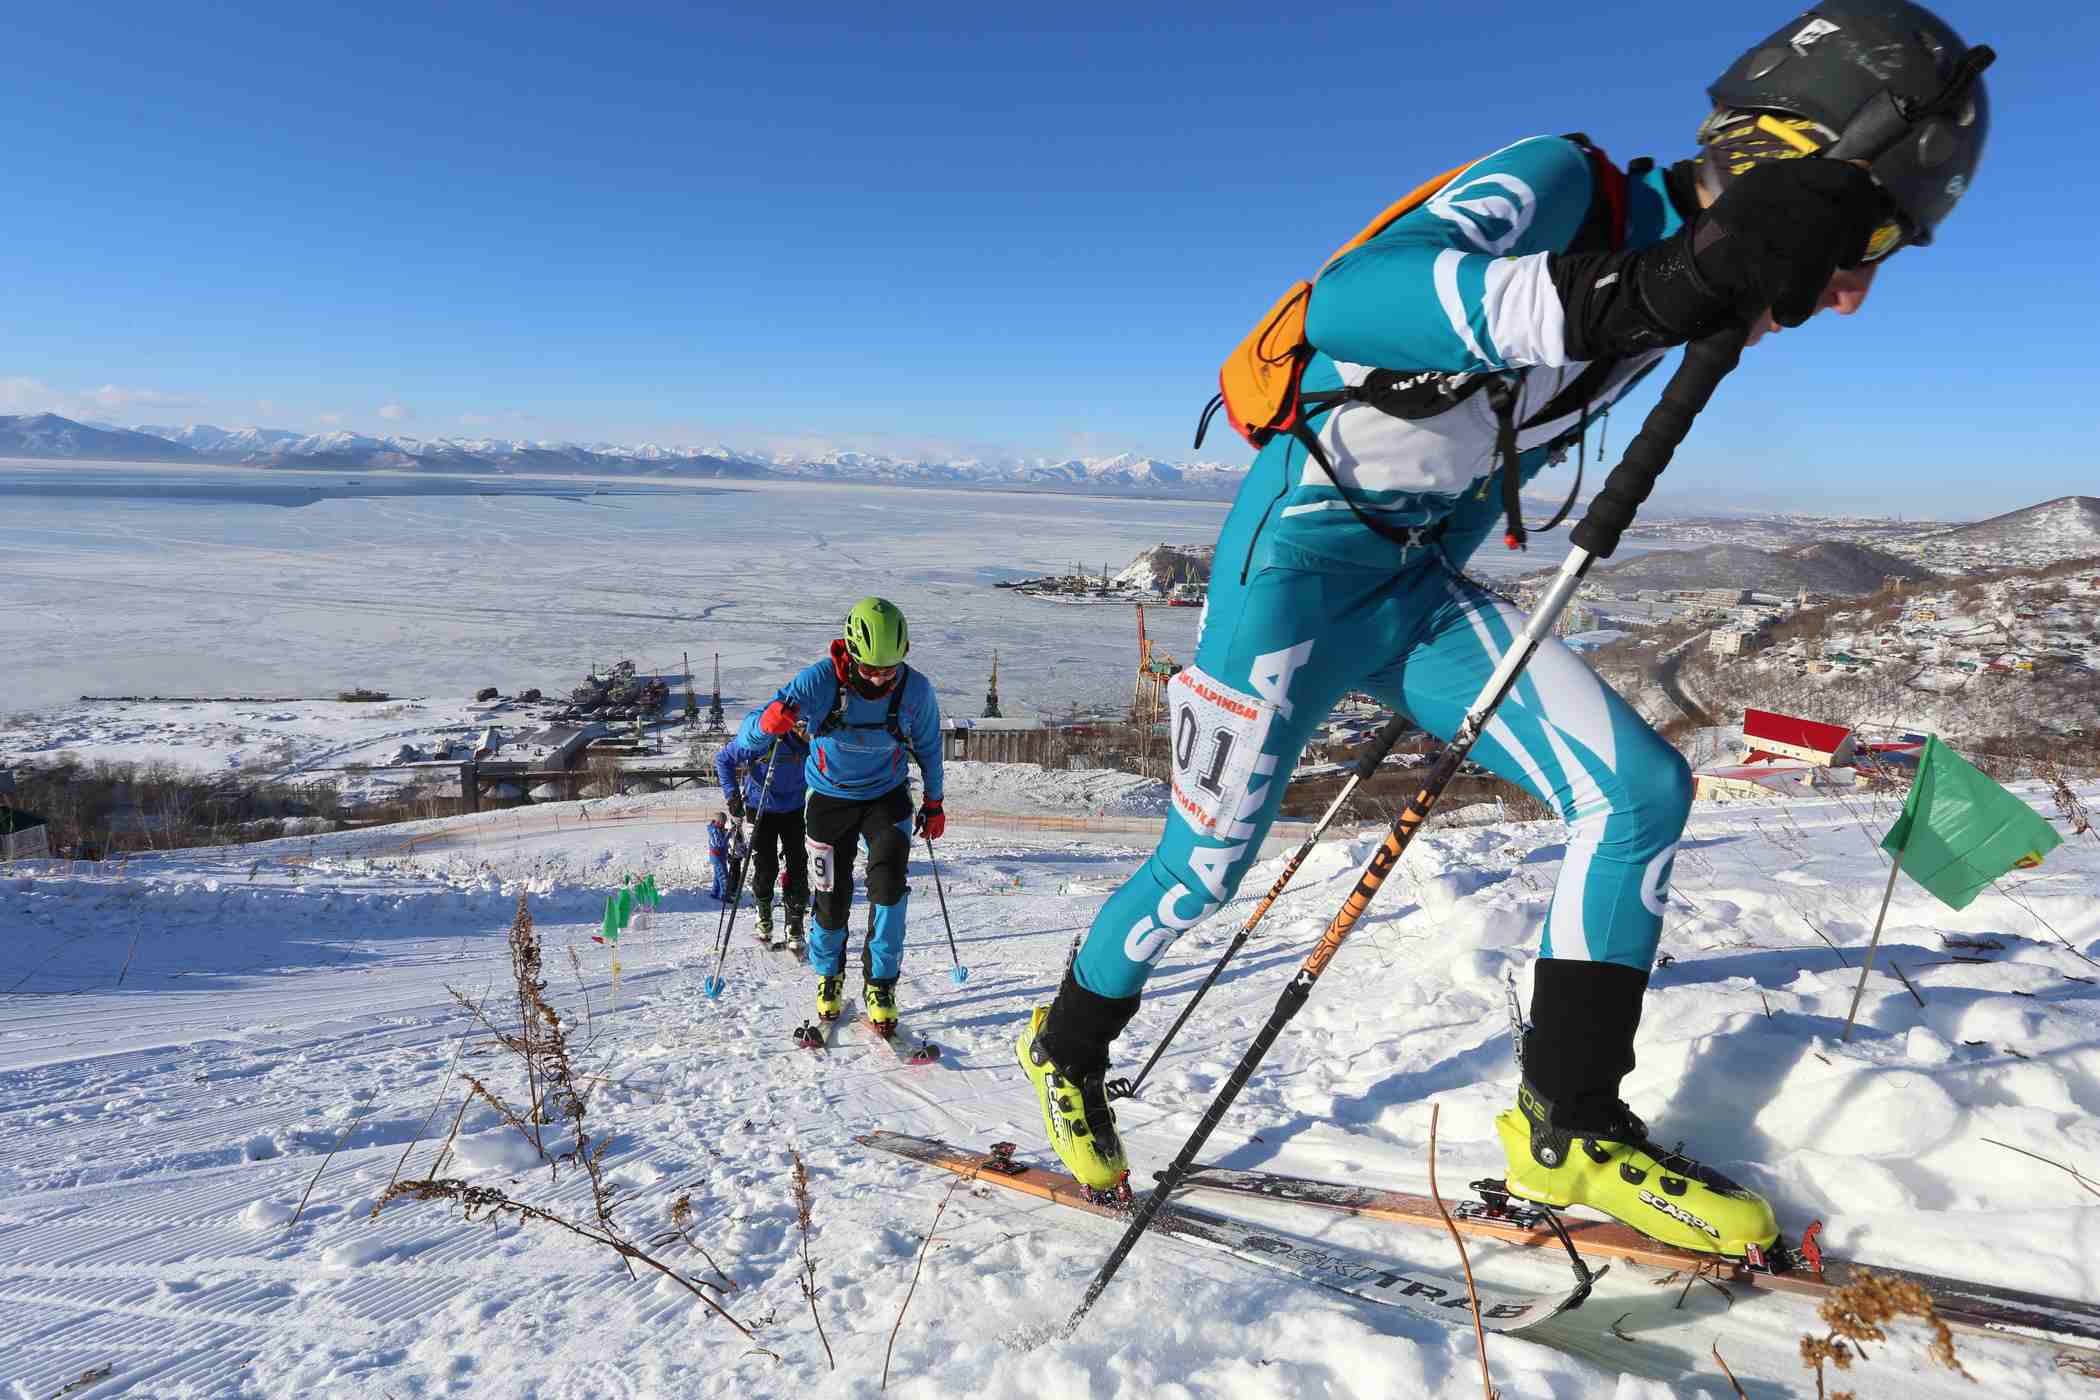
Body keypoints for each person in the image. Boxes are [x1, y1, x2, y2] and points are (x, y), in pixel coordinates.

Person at [1015, 0, 1988, 1258]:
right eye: (1862, 239)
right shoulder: (1559, 184)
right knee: (1202, 871)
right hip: (1294, 580)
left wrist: (1680, 298)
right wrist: (1654, 285)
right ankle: (1067, 1042)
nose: (1849, 293)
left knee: (1638, 791)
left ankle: (1568, 1123)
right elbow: (1353, 302)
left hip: (1418, 588)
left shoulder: (1681, 298)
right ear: (1788, 156)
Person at [759, 597, 945, 1034]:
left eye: (890, 668)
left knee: (889, 889)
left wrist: (934, 802)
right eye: (871, 669)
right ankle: (830, 977)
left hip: (886, 797)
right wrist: (774, 718)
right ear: (851, 654)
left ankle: (880, 985)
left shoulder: (915, 690)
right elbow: (782, 705)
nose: (881, 677)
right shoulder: (822, 680)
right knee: (831, 896)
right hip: (829, 800)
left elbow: (931, 748)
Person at [715, 705, 812, 946]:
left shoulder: (805, 739)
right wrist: (732, 796)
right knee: (765, 866)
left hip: (794, 808)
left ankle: (795, 923)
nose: (799, 729)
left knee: (798, 864)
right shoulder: (759, 737)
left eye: (800, 725)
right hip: (760, 809)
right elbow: (723, 759)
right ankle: (764, 915)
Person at [705, 811, 733, 901]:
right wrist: (728, 834)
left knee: (718, 875)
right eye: (723, 823)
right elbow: (720, 843)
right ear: (719, 822)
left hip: (720, 856)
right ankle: (725, 895)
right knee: (724, 876)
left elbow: (721, 838)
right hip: (717, 857)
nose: (724, 825)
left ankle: (715, 892)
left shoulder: (717, 829)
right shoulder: (714, 831)